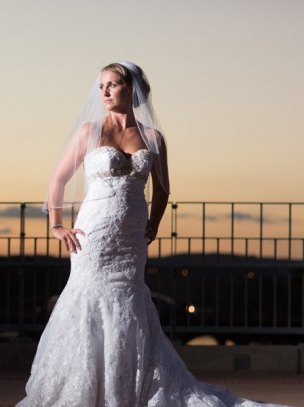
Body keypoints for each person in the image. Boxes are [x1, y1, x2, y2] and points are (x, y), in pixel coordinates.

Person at [16, 62, 288, 406]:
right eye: (101, 86)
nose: (104, 92)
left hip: (131, 240)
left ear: (131, 90)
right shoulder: (89, 131)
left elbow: (162, 190)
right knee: (88, 301)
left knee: (130, 304)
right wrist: (56, 225)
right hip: (93, 235)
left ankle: (130, 385)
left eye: (112, 85)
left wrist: (154, 224)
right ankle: (86, 388)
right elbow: (57, 180)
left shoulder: (152, 138)